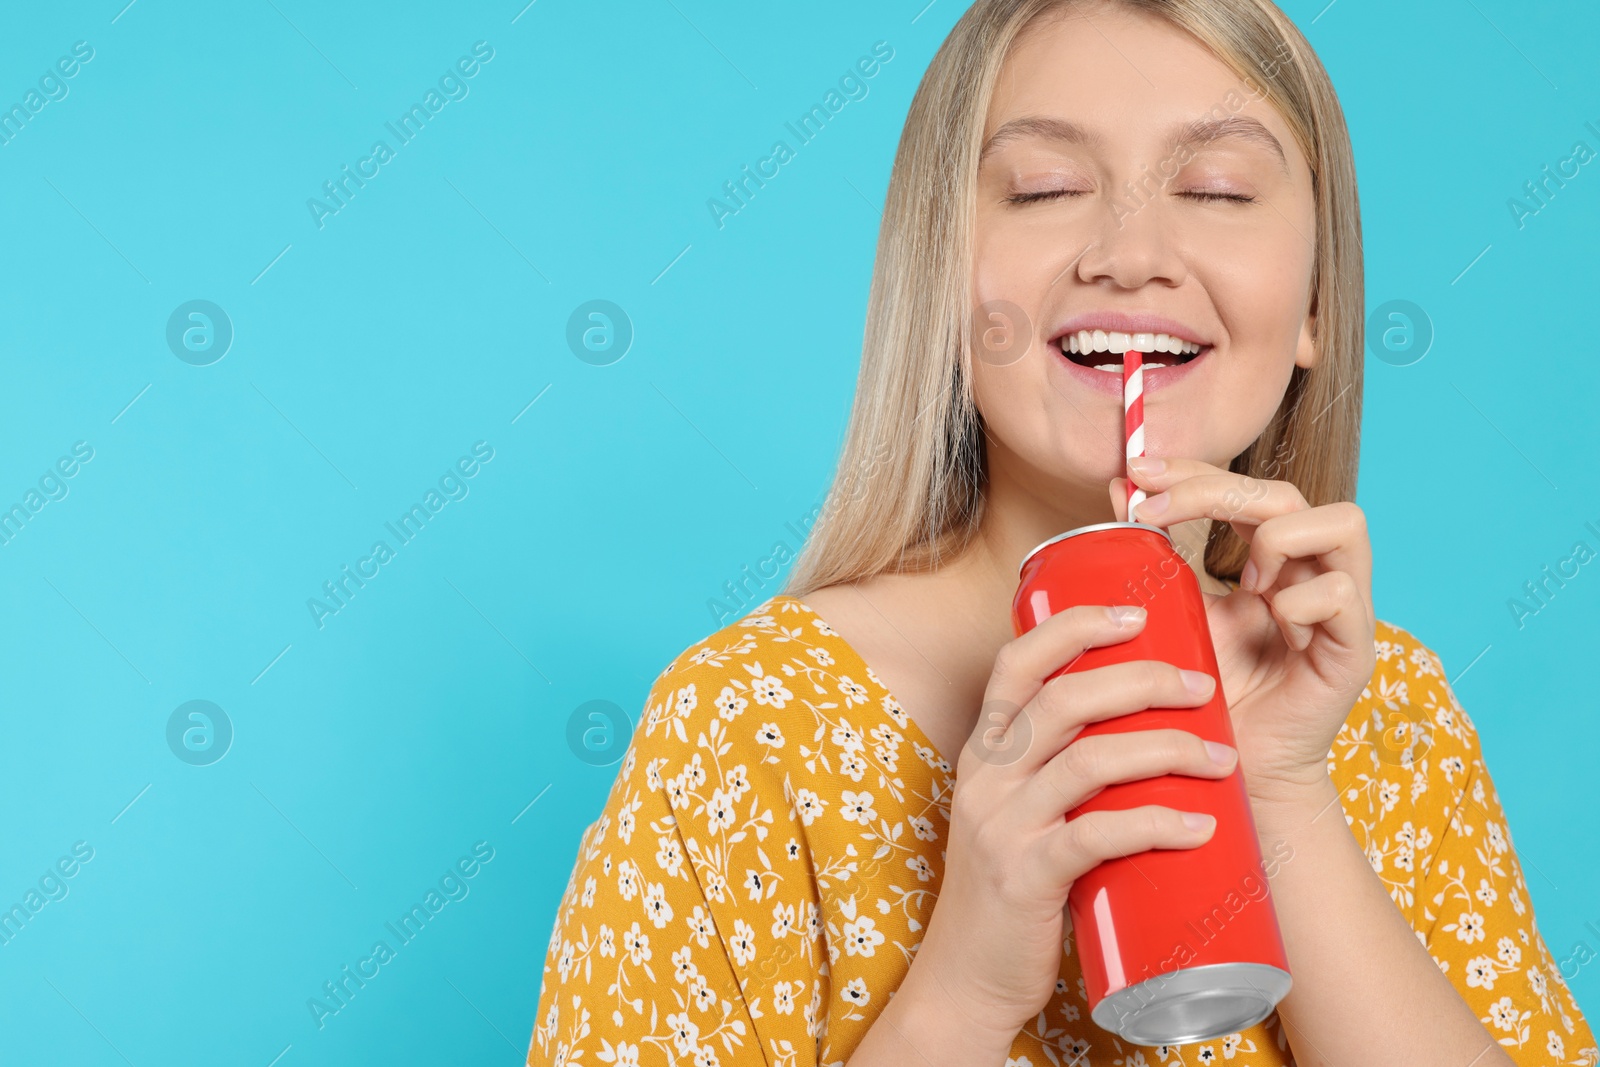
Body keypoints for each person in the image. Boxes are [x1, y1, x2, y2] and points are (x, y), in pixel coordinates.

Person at [524, 0, 1598, 1063]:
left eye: (1215, 188)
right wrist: (961, 987)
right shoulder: (745, 729)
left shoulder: (1389, 714)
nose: (1131, 253)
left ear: (1315, 299)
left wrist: (1283, 794)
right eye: (1044, 187)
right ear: (944, 281)